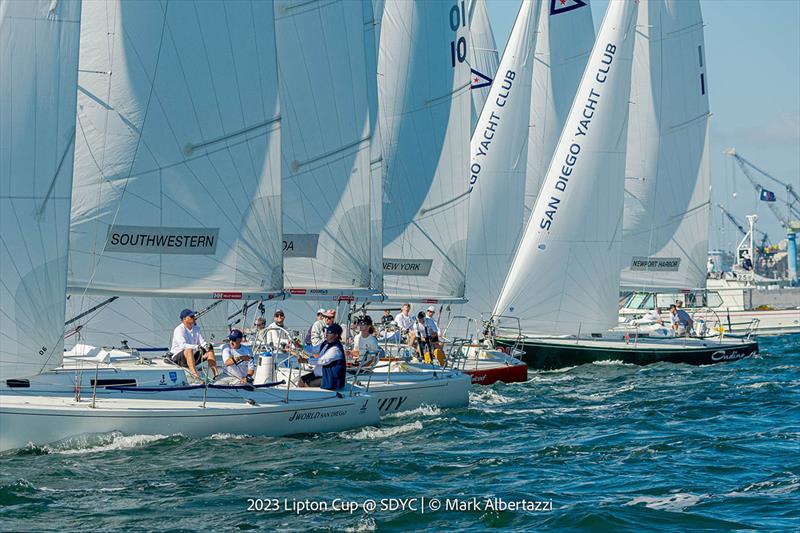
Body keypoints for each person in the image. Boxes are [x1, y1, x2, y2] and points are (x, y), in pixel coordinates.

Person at [169, 308, 218, 379]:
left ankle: (216, 376)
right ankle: (195, 376)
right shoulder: (179, 329)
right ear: (184, 319)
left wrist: (207, 346)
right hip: (178, 358)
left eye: (194, 316)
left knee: (209, 351)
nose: (194, 318)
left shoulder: (196, 328)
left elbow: (202, 342)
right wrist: (197, 347)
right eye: (191, 317)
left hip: (192, 356)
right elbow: (183, 346)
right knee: (189, 350)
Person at [299, 323, 346, 389]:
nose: (326, 334)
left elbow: (323, 360)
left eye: (329, 332)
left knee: (307, 384)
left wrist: (306, 360)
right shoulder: (325, 344)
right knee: (302, 380)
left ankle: (307, 398)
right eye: (326, 331)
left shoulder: (336, 349)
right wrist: (301, 346)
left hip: (330, 379)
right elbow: (314, 349)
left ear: (336, 335)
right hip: (320, 375)